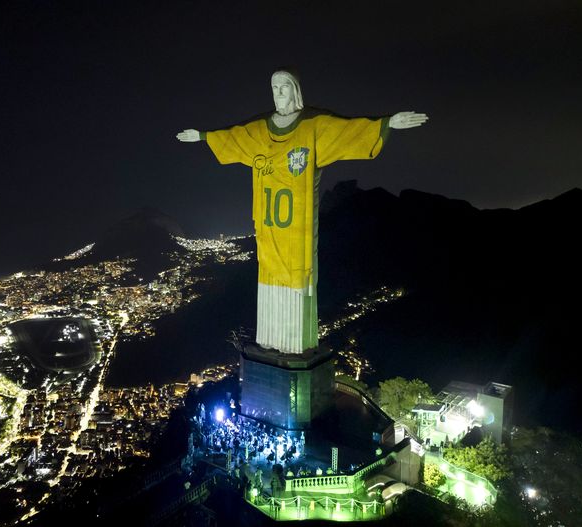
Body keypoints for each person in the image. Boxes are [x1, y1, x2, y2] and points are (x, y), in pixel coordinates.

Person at [177, 69, 427, 354]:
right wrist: (202, 136)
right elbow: (234, 138)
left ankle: (295, 346)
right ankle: (270, 343)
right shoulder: (261, 130)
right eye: (273, 87)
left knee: (299, 278)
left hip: (297, 227)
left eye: (283, 87)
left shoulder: (313, 125)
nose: (278, 93)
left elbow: (347, 131)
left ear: (295, 91)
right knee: (267, 275)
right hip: (269, 225)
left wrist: (387, 123)